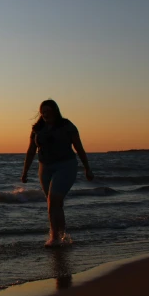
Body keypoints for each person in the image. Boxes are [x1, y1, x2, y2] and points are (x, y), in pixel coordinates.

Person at [21, 100, 93, 246]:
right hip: (45, 168)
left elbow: (79, 148)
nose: (45, 114)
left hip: (66, 165)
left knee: (54, 199)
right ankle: (61, 236)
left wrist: (87, 168)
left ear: (55, 111)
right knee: (53, 203)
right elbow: (30, 151)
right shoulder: (37, 128)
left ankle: (55, 237)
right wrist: (25, 171)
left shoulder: (67, 126)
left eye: (48, 111)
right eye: (43, 112)